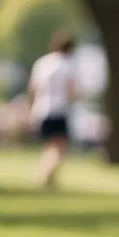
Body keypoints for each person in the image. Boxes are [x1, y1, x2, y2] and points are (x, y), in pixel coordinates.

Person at [28, 30, 79, 188]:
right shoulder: (67, 65)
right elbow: (71, 90)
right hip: (59, 109)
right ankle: (45, 174)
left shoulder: (42, 63)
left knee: (49, 146)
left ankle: (50, 178)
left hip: (41, 109)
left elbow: (33, 88)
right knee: (59, 147)